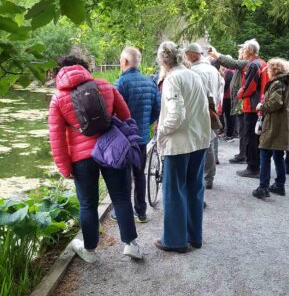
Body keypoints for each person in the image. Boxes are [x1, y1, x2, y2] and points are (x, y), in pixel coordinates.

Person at [48, 55, 143, 262]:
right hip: (112, 151)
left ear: (61, 72)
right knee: (121, 198)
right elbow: (126, 115)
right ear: (85, 69)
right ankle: (130, 245)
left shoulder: (58, 98)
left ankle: (89, 251)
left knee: (88, 205)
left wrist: (65, 167)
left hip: (81, 159)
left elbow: (56, 137)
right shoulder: (105, 86)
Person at [155, 41, 211, 252]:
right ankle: (194, 236)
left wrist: (161, 132)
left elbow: (176, 115)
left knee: (174, 191)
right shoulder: (194, 75)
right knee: (194, 188)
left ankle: (175, 240)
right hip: (198, 140)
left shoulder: (172, 79)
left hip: (179, 144)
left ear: (162, 60)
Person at [114, 46, 161, 222]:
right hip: (141, 137)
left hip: (124, 138)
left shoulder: (120, 83)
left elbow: (112, 113)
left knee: (124, 175)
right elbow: (157, 110)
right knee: (140, 174)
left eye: (120, 59)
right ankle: (141, 212)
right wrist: (143, 124)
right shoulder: (150, 83)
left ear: (125, 61)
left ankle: (123, 213)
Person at [252, 58, 289, 198]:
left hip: (273, 126)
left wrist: (261, 106)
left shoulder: (277, 83)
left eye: (268, 68)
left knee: (265, 155)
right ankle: (280, 185)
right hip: (283, 127)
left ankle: (263, 187)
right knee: (279, 156)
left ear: (273, 69)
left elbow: (275, 103)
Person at [184, 42, 220, 189]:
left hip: (200, 110)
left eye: (186, 55)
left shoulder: (193, 71)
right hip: (213, 108)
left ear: (193, 54)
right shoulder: (212, 69)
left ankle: (204, 177)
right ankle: (210, 176)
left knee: (202, 144)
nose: (185, 58)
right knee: (211, 140)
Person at [209, 46, 248, 163]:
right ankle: (243, 154)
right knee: (242, 129)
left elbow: (232, 63)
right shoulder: (245, 64)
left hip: (242, 102)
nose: (239, 53)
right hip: (240, 101)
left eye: (241, 51)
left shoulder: (245, 63)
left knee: (244, 130)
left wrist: (216, 55)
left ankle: (244, 155)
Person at [236, 39, 268, 178]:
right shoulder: (262, 62)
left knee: (251, 137)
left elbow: (250, 87)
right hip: (258, 104)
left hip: (252, 106)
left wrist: (240, 93)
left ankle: (252, 167)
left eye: (244, 49)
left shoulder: (254, 65)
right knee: (256, 137)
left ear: (249, 50)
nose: (242, 52)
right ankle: (256, 165)